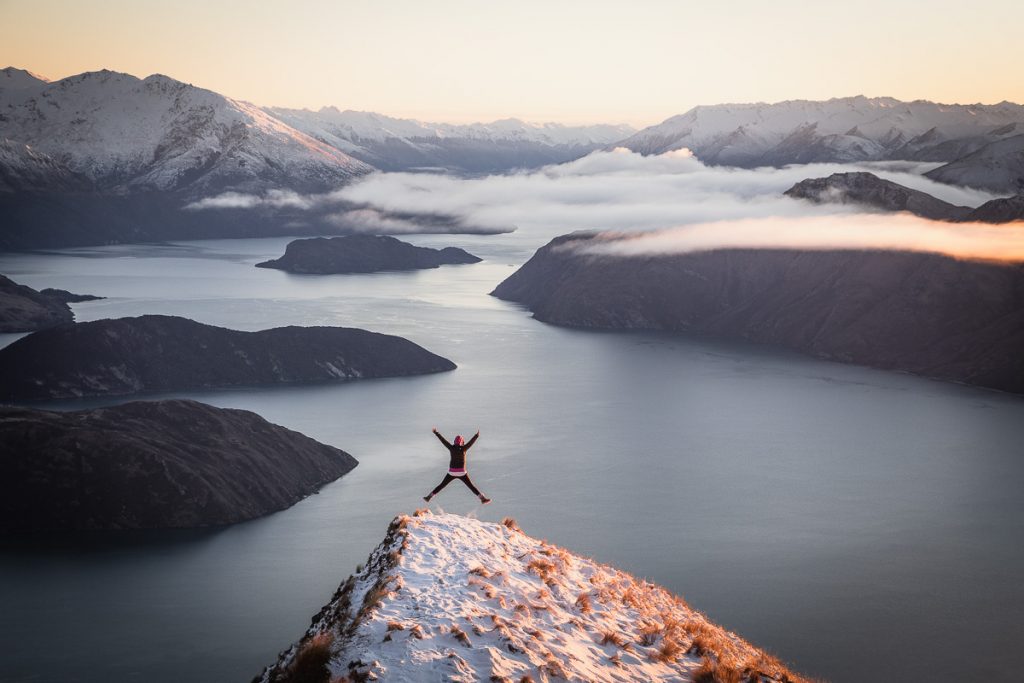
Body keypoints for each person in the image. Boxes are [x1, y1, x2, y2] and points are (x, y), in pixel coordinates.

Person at [424, 427, 491, 504]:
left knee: (441, 485)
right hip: (462, 472)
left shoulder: (451, 448)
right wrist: (476, 435)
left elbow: (443, 441)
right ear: (462, 442)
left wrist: (436, 433)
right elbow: (471, 443)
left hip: (452, 472)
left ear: (454, 442)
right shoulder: (464, 448)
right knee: (471, 486)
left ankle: (429, 497)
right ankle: (482, 499)